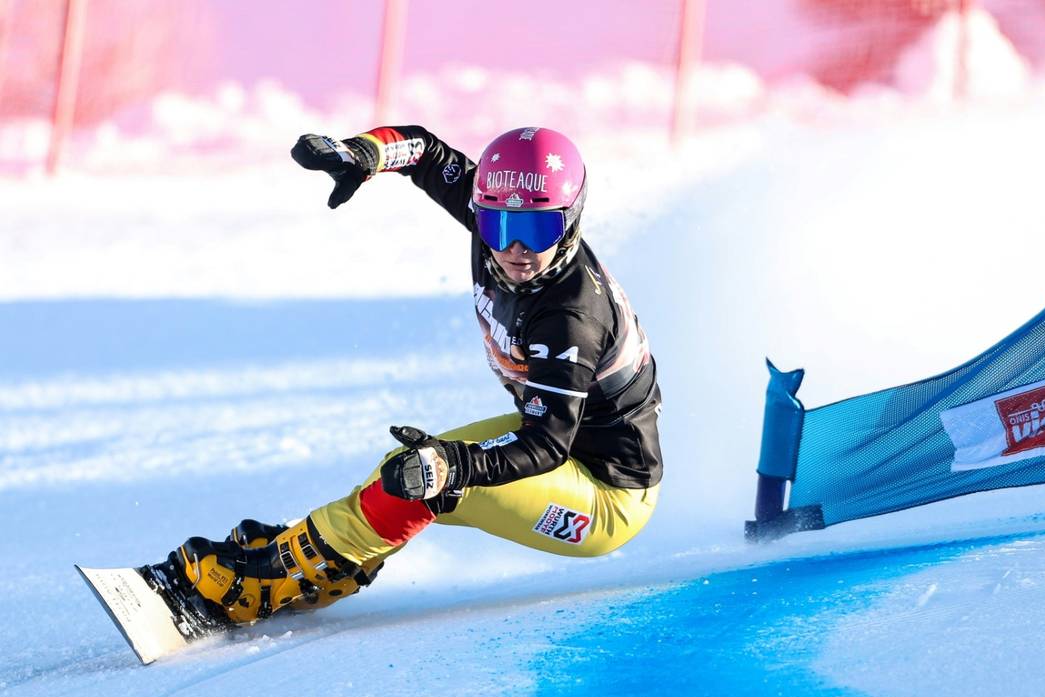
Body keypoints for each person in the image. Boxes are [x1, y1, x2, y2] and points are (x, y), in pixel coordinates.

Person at [150, 126, 663, 627]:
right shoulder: (500, 228)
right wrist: (364, 154)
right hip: (564, 446)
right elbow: (425, 151)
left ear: (572, 222)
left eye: (537, 230)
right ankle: (311, 560)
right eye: (496, 227)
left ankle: (278, 576)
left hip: (604, 497)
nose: (514, 252)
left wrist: (455, 466)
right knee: (406, 469)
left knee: (431, 479)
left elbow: (546, 445)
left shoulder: (570, 317)